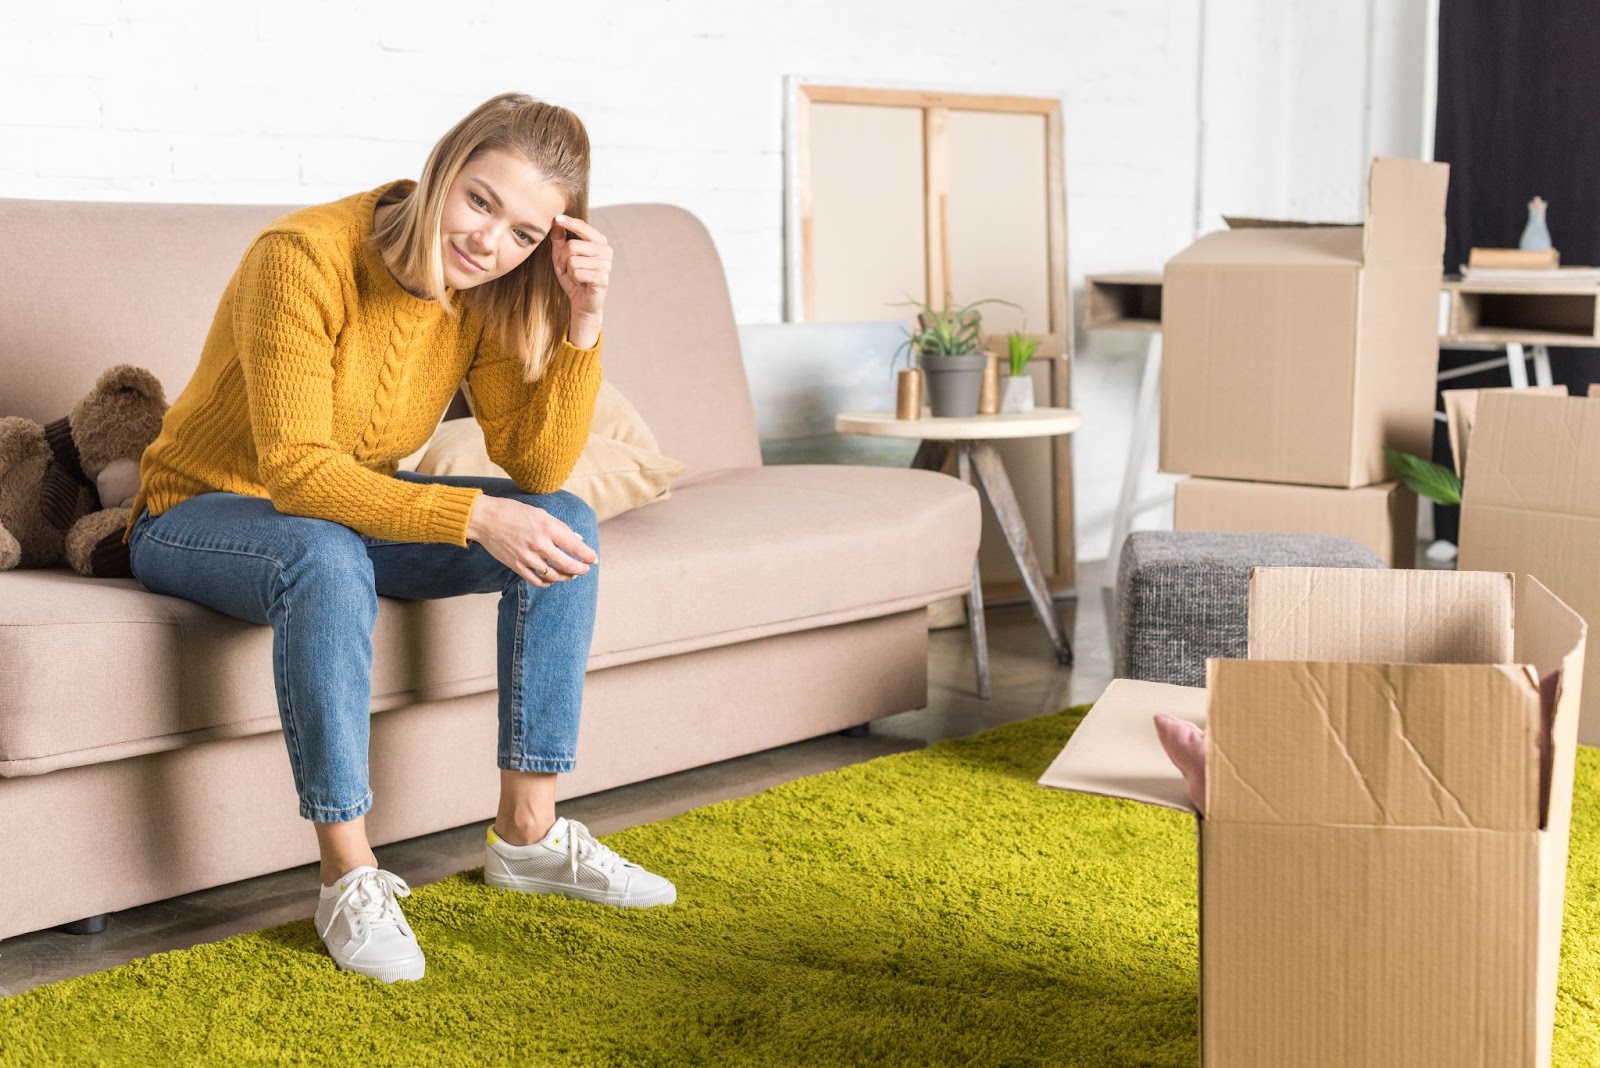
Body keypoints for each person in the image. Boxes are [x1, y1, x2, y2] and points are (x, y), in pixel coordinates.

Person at [124, 92, 673, 984]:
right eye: (480, 200)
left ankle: (529, 834)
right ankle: (348, 873)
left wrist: (582, 322)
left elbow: (536, 471)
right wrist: (468, 514)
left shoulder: (482, 290)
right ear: (443, 167)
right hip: (197, 513)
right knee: (322, 552)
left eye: (525, 235)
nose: (488, 241)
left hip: (348, 507)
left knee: (563, 522)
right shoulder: (301, 257)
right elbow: (299, 472)